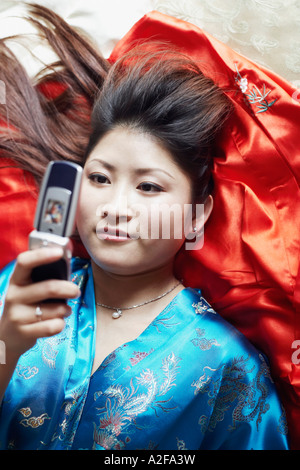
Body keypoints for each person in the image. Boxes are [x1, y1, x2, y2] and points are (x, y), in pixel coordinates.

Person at [0, 5, 289, 450]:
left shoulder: (228, 368)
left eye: (149, 186)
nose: (116, 207)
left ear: (196, 214)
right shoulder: (13, 292)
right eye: (99, 178)